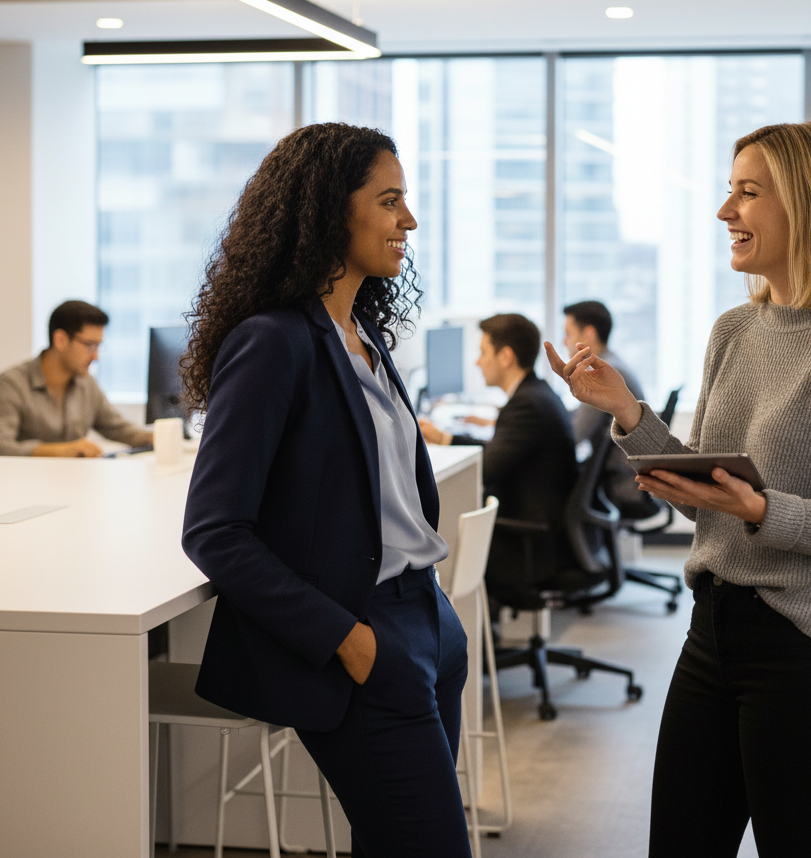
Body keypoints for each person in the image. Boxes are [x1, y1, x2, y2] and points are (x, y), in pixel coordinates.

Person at [545, 122, 811, 858]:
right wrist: (627, 414)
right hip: (711, 634)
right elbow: (699, 492)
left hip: (810, 650)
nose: (725, 213)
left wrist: (762, 510)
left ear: (808, 205)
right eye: (728, 191)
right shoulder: (732, 331)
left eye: (747, 193)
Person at [180, 123, 471, 858]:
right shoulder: (272, 341)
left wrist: (434, 626)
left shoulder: (364, 336)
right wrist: (348, 640)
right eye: (389, 201)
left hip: (429, 624)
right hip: (367, 635)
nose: (408, 220)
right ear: (327, 210)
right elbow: (215, 531)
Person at [418, 313, 578, 598]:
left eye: (483, 353)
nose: (477, 362)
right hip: (544, 528)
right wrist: (446, 438)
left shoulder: (526, 405)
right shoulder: (535, 394)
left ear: (505, 356)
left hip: (530, 542)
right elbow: (499, 449)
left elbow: (487, 468)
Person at [0, 300, 152, 457]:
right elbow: (2, 446)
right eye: (89, 345)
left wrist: (155, 437)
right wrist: (56, 451)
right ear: (60, 340)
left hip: (73, 479)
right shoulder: (12, 385)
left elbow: (117, 428)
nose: (96, 356)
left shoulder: (86, 383)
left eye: (98, 346)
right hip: (24, 479)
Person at [563, 300, 659, 520]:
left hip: (621, 481)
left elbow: (577, 434)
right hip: (625, 475)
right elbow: (578, 417)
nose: (563, 341)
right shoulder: (612, 364)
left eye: (568, 333)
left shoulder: (603, 374)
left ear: (588, 334)